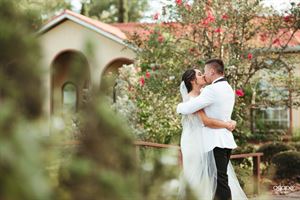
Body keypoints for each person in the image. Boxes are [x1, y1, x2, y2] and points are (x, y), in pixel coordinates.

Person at [177, 59, 247, 200]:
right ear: (192, 80)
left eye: (204, 72)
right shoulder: (228, 87)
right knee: (217, 180)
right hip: (214, 141)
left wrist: (178, 107)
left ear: (212, 71)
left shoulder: (210, 90)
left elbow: (198, 115)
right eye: (199, 74)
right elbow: (214, 115)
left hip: (214, 141)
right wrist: (228, 123)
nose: (203, 75)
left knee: (219, 181)